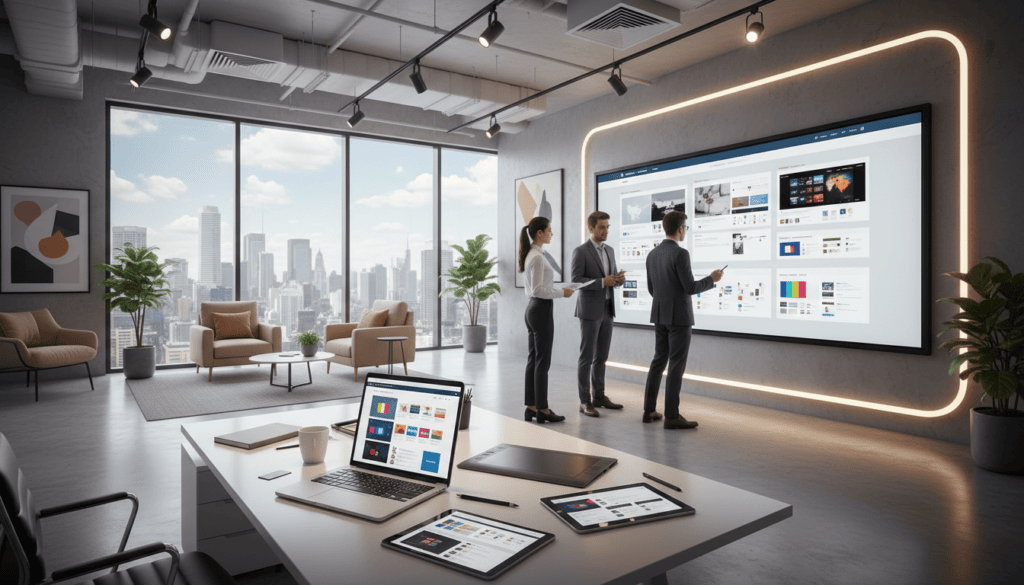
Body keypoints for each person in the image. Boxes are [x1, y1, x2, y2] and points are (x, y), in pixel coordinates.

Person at [643, 211, 723, 429]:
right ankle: (671, 416)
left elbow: (652, 289)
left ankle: (649, 411)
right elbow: (690, 287)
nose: (685, 231)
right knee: (676, 365)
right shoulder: (681, 253)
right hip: (679, 317)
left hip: (659, 315)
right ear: (680, 228)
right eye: (685, 227)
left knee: (658, 362)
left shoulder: (652, 254)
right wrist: (711, 279)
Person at [520, 216, 575, 423]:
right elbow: (538, 290)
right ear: (540, 233)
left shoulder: (533, 255)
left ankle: (531, 407)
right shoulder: (536, 257)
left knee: (534, 360)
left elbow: (539, 288)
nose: (552, 233)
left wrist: (561, 290)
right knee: (542, 362)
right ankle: (542, 409)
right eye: (549, 230)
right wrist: (562, 293)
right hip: (540, 310)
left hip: (534, 309)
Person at [571, 211, 625, 418]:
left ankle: (599, 397)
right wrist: (603, 282)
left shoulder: (610, 250)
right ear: (591, 228)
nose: (606, 231)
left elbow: (612, 279)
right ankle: (585, 401)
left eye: (607, 227)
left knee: (602, 357)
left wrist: (618, 280)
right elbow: (576, 280)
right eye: (602, 227)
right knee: (587, 356)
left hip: (608, 309)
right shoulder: (580, 251)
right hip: (590, 310)